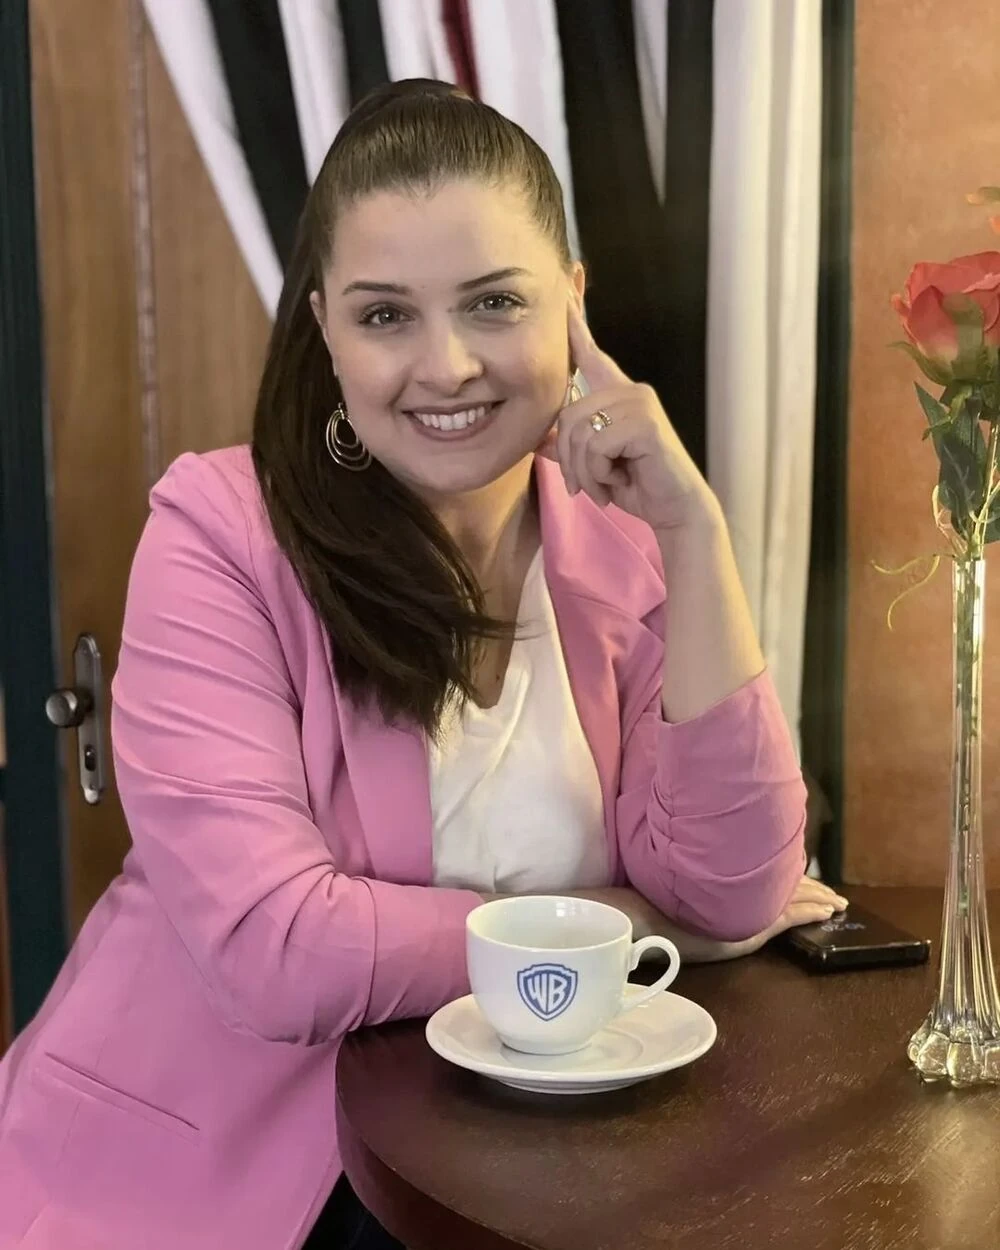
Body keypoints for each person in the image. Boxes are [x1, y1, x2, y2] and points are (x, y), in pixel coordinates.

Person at [0, 80, 844, 1250]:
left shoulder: (630, 542)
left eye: (493, 301)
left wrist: (696, 535)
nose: (444, 366)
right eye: (385, 314)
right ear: (324, 326)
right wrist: (626, 926)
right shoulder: (219, 534)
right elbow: (277, 952)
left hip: (525, 1171)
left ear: (572, 300)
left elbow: (733, 889)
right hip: (210, 1182)